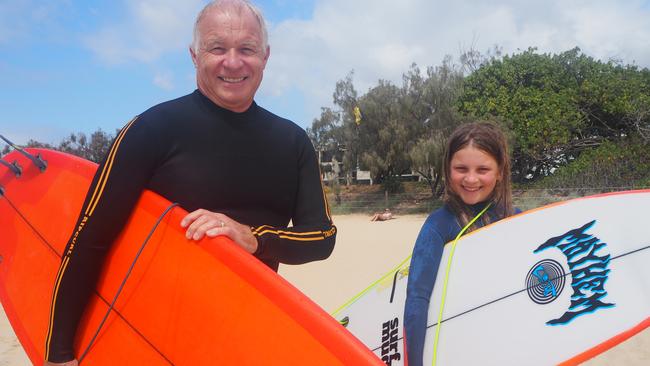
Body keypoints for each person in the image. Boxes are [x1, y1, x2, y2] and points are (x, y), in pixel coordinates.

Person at [44, 1, 336, 364]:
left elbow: (322, 238)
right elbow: (89, 239)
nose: (233, 62)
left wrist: (254, 238)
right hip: (147, 341)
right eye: (217, 47)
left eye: (246, 49)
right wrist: (59, 353)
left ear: (265, 56)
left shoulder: (293, 143)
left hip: (246, 340)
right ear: (194, 55)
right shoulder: (152, 130)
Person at [403, 122, 519, 366]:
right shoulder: (439, 225)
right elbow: (417, 298)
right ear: (448, 169)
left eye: (483, 169)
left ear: (500, 171)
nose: (471, 178)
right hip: (458, 350)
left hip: (505, 345)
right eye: (461, 168)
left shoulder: (517, 219)